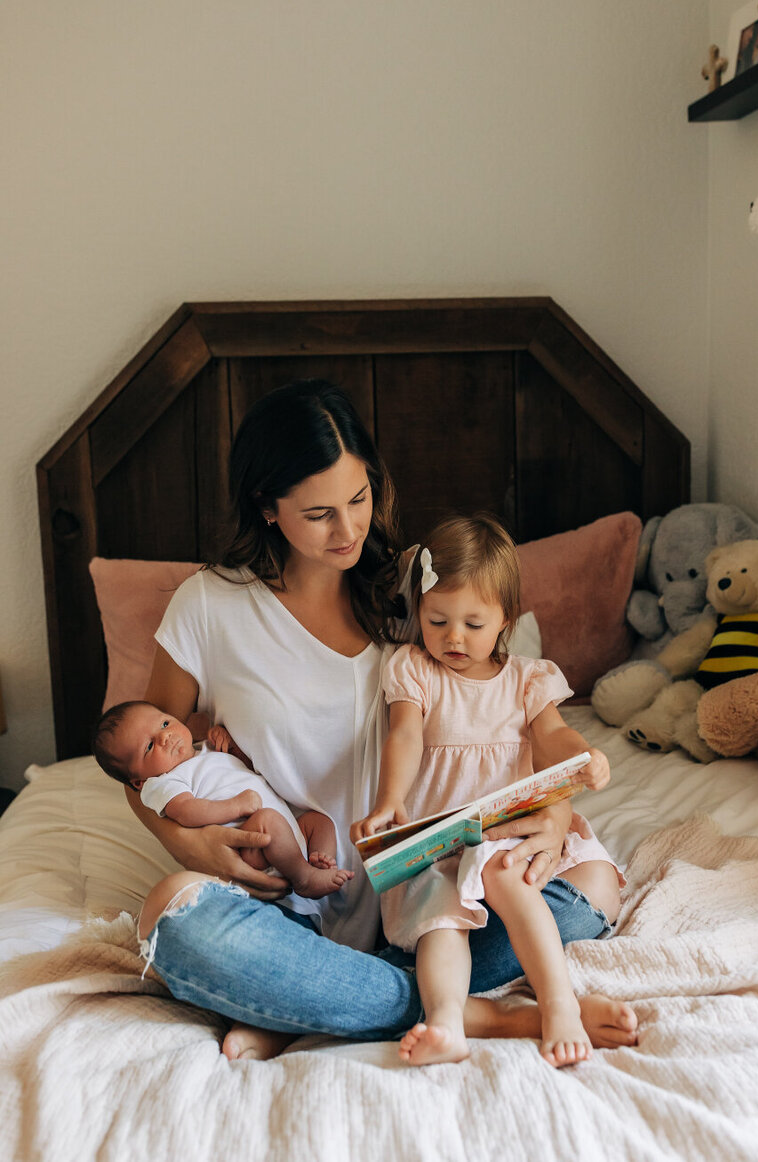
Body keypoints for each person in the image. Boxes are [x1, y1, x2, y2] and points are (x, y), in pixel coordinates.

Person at [130, 379, 638, 1060]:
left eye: (360, 499)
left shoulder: (411, 595)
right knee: (174, 914)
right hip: (292, 904)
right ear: (266, 507)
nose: (348, 530)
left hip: (432, 890)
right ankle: (488, 1017)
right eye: (319, 514)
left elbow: (508, 719)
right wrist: (187, 843)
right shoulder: (207, 606)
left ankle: (316, 1004)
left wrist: (547, 815)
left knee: (593, 887)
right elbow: (142, 757)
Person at [351, 514, 625, 1068]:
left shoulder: (528, 679)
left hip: (510, 840)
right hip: (447, 856)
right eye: (438, 619)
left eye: (473, 624)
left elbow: (553, 735)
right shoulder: (413, 670)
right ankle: (449, 1022)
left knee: (506, 871)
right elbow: (404, 734)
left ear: (506, 618)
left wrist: (582, 758)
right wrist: (389, 800)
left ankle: (559, 1005)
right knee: (440, 920)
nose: (453, 637)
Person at [93, 700, 353, 897]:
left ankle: (319, 861)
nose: (165, 737)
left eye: (164, 723)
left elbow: (244, 771)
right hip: (249, 848)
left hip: (288, 833)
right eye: (149, 746)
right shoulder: (160, 785)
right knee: (268, 820)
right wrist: (235, 806)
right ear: (138, 781)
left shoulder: (204, 751)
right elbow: (187, 812)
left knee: (319, 822)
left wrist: (230, 746)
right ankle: (304, 878)